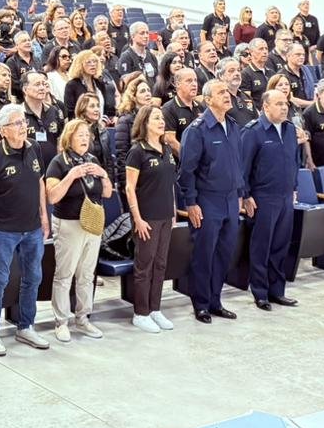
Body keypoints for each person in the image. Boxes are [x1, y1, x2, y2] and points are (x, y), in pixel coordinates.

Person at [0, 103, 51, 356]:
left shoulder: (34, 148)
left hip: (32, 228)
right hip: (3, 230)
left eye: (23, 122)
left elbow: (40, 183)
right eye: (17, 123)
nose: (23, 127)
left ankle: (26, 325)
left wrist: (44, 215)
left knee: (33, 277)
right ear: (3, 130)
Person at [178, 79, 245, 324]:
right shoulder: (197, 130)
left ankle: (216, 301)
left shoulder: (233, 126)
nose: (227, 95)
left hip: (230, 199)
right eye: (221, 92)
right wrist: (191, 203)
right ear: (208, 100)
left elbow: (238, 164)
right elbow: (186, 171)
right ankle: (201, 304)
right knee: (204, 255)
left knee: (224, 254)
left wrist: (240, 193)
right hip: (207, 200)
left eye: (227, 91)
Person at [44, 118, 113, 342]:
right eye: (79, 135)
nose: (85, 138)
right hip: (68, 224)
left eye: (87, 135)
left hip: (92, 223)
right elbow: (52, 196)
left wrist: (103, 174)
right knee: (65, 275)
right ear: (69, 138)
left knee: (87, 275)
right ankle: (61, 321)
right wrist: (71, 175)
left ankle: (83, 318)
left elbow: (107, 193)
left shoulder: (93, 160)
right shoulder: (58, 162)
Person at [240, 89, 302, 312]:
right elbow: (243, 167)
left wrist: (294, 187)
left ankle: (277, 291)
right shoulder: (253, 132)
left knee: (280, 245)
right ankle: (260, 293)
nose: (284, 108)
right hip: (263, 197)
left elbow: (295, 160)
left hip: (285, 196)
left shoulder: (290, 129)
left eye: (285, 103)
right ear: (265, 107)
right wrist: (246, 196)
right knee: (261, 247)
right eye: (278, 104)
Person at [124, 105, 177, 333]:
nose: (161, 121)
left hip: (165, 216)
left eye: (162, 118)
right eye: (156, 118)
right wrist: (137, 218)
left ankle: (155, 308)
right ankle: (141, 312)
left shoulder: (166, 149)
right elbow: (129, 188)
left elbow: (170, 183)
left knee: (161, 263)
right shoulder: (137, 151)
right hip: (147, 217)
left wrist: (173, 210)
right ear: (145, 123)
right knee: (144, 265)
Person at [161, 67, 203, 156]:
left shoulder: (201, 106)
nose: (194, 84)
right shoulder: (169, 108)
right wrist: (189, 158)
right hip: (183, 161)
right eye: (189, 81)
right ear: (177, 84)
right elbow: (170, 140)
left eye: (195, 80)